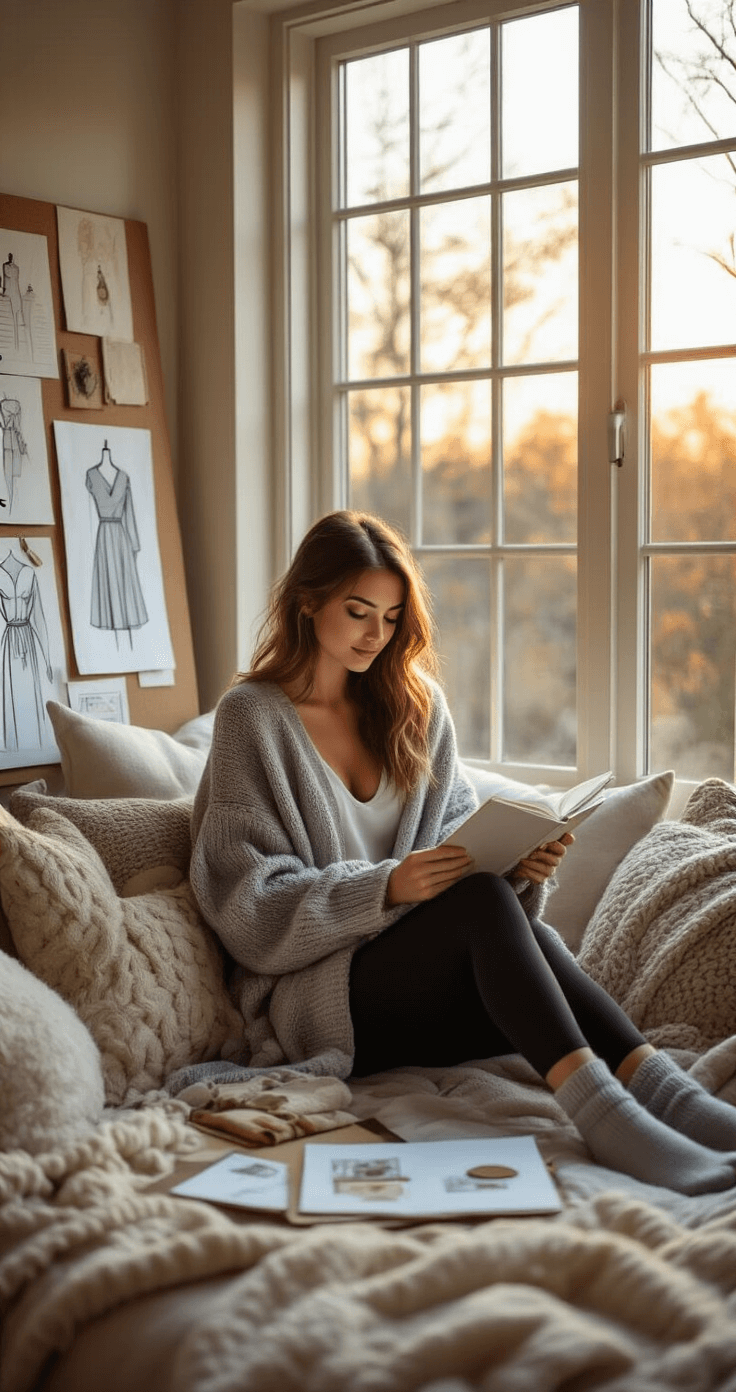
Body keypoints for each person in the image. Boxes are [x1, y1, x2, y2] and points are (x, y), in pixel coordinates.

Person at [191, 510, 736, 1195]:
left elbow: (460, 855)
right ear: (308, 602)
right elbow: (243, 903)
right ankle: (614, 1124)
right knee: (479, 902)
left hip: (428, 999)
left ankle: (677, 1102)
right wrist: (387, 888)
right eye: (358, 612)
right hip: (322, 1004)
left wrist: (517, 867)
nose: (375, 635)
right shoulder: (252, 718)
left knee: (509, 912)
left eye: (391, 618)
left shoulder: (417, 709)